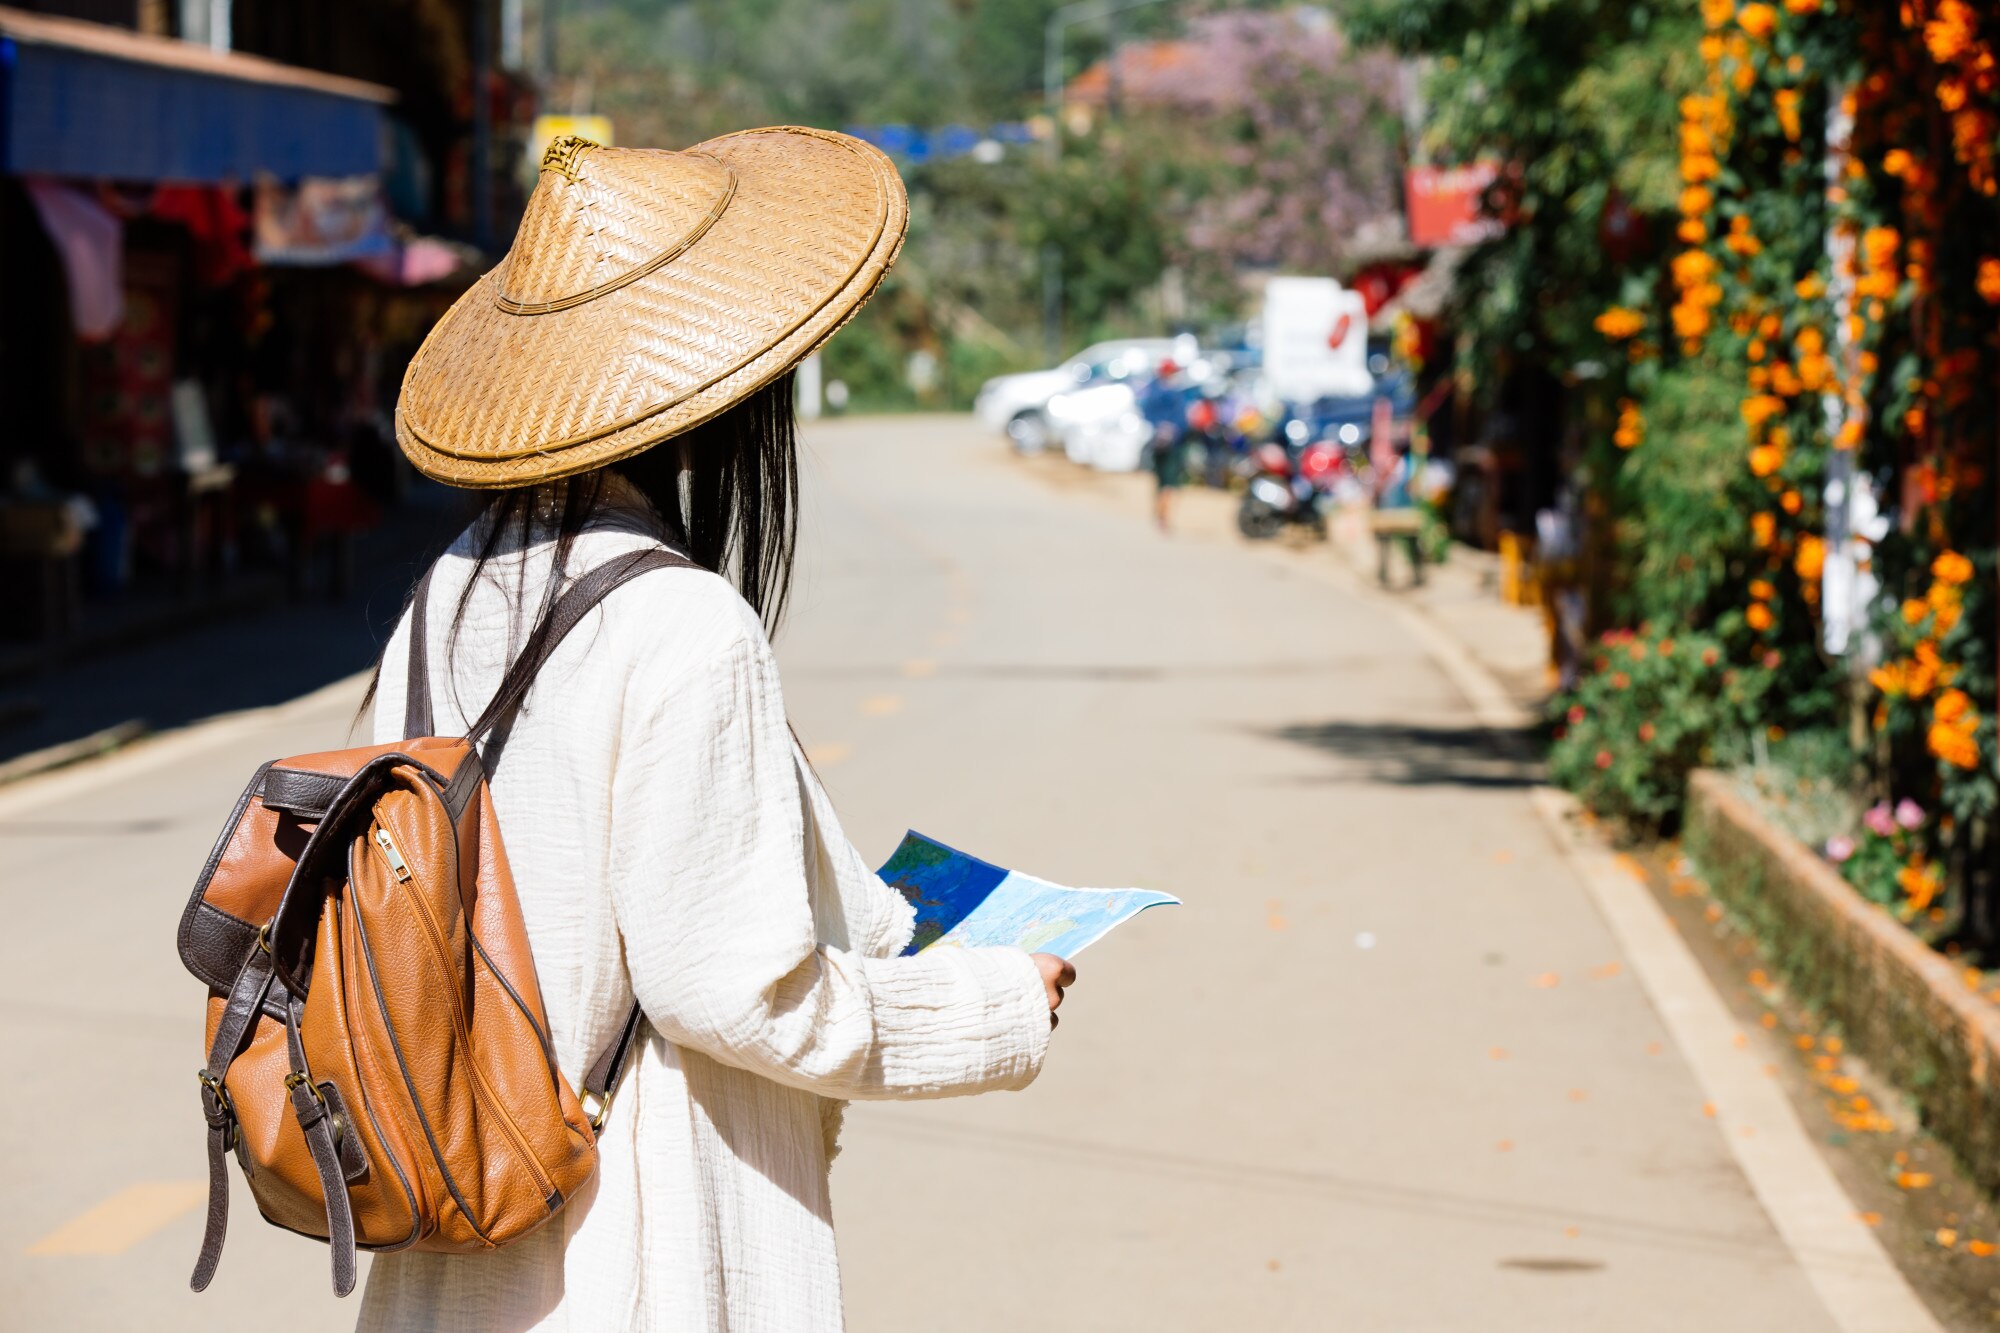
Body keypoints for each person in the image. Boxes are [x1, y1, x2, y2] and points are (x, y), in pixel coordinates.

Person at [359, 130, 1074, 1332]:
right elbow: (733, 991)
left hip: (464, 1237)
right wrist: (1000, 1002)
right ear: (730, 389)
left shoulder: (444, 597)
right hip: (632, 1247)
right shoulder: (685, 622)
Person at [1138, 359, 1188, 532]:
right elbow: (1182, 420)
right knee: (1169, 482)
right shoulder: (1174, 393)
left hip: (1157, 442)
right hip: (1171, 445)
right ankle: (1163, 518)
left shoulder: (1151, 391)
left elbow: (1146, 415)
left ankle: (1159, 516)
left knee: (1160, 481)